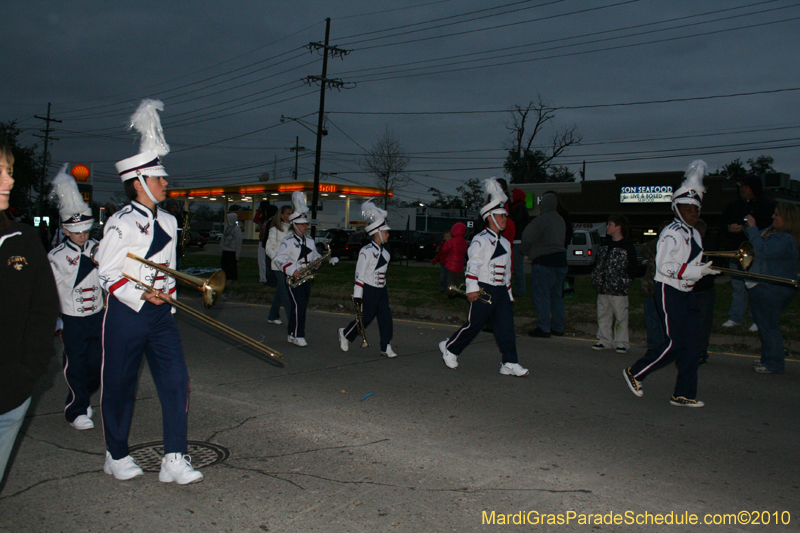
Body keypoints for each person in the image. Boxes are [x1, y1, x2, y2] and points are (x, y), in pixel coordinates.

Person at [94, 99, 203, 484]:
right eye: (159, 178)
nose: (166, 183)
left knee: (176, 381)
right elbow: (106, 273)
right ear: (139, 183)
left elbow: (168, 269)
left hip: (161, 316)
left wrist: (168, 297)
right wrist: (141, 295)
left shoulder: (171, 222)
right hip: (126, 314)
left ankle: (174, 456)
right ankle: (116, 453)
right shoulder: (120, 224)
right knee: (120, 384)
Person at [623, 160, 721, 408]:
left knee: (693, 345)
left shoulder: (695, 233)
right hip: (668, 290)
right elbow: (666, 266)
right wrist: (697, 271)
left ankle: (683, 393)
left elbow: (691, 267)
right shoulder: (671, 233)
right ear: (676, 208)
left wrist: (703, 270)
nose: (693, 213)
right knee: (676, 342)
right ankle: (636, 372)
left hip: (687, 292)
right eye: (688, 209)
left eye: (696, 210)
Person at [0, 145, 59, 486]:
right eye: (2, 172)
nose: (10, 179)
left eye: (10, 170)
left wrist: (30, 371)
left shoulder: (23, 237)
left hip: (12, 389)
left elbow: (43, 309)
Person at [438, 178, 529, 377]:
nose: (505, 219)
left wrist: (509, 293)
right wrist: (471, 287)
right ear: (490, 217)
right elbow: (473, 265)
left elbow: (506, 272)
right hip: (483, 287)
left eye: (505, 216)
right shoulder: (481, 239)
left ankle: (509, 362)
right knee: (475, 324)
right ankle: (451, 348)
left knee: (506, 328)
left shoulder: (505, 243)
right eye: (501, 216)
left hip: (501, 291)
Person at [48, 164, 103, 431]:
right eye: (76, 231)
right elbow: (52, 292)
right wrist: (57, 321)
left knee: (97, 365)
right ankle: (76, 408)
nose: (82, 236)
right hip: (73, 319)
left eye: (85, 231)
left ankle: (83, 395)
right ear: (66, 231)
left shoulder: (98, 249)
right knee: (75, 365)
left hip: (98, 316)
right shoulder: (56, 256)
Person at [745, 202, 799, 374]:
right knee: (765, 324)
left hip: (772, 287)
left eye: (777, 214)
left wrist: (753, 229)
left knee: (768, 326)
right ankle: (768, 358)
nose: (773, 217)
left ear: (788, 218)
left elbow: (761, 251)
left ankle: (773, 363)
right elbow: (755, 241)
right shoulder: (775, 233)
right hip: (769, 285)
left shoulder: (785, 238)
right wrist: (746, 228)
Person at [338, 200, 397, 357]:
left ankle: (386, 345)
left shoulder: (386, 253)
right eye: (386, 232)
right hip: (368, 289)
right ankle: (345, 333)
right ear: (377, 233)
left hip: (381, 290)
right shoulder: (366, 251)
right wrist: (358, 294)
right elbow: (360, 274)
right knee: (365, 318)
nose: (388, 234)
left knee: (386, 318)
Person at [718, 175, 775, 330]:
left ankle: (756, 318)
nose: (743, 189)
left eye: (746, 187)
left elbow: (770, 228)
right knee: (738, 287)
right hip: (738, 252)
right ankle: (735, 317)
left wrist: (748, 228)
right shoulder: (735, 205)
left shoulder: (767, 206)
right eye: (742, 186)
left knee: (757, 287)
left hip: (757, 254)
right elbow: (722, 223)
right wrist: (729, 228)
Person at [274, 191, 323, 347]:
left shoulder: (309, 240)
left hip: (306, 277)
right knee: (299, 306)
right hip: (294, 278)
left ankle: (291, 333)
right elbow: (279, 259)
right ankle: (298, 335)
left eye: (305, 224)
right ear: (294, 225)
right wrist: (292, 270)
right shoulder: (288, 241)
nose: (305, 226)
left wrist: (316, 262)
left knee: (301, 306)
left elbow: (314, 255)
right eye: (301, 224)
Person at [520, 191, 567, 338]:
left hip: (544, 262)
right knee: (557, 296)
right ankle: (558, 327)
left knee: (542, 296)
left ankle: (543, 327)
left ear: (543, 204)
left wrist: (525, 251)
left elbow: (527, 238)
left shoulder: (540, 220)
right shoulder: (560, 220)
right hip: (560, 261)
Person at [590, 215, 637, 354]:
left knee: (620, 315)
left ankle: (621, 342)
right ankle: (604, 340)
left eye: (610, 224)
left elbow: (633, 267)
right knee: (603, 314)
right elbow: (598, 263)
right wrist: (596, 278)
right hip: (603, 287)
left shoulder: (627, 246)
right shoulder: (605, 245)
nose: (607, 227)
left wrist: (625, 282)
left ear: (618, 227)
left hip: (618, 289)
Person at [639, 221, 670, 359]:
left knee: (664, 319)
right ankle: (655, 347)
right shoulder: (656, 244)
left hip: (667, 287)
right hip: (652, 286)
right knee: (653, 318)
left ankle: (664, 346)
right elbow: (644, 251)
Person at [692, 219, 717, 366]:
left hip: (703, 289)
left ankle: (700, 352)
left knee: (702, 324)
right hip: (694, 289)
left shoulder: (707, 245)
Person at [265, 205, 293, 325]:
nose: (289, 215)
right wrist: (277, 259)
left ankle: (273, 315)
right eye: (287, 213)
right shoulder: (275, 230)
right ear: (281, 215)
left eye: (291, 213)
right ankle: (293, 321)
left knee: (281, 291)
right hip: (278, 266)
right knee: (285, 291)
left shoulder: (293, 229)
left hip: (290, 265)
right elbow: (269, 248)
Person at [509, 188, 530, 297]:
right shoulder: (520, 208)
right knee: (517, 266)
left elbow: (514, 221)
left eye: (512, 196)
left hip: (518, 240)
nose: (510, 198)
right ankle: (519, 289)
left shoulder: (520, 208)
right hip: (517, 240)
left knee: (517, 267)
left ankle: (520, 290)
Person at [438, 223, 468, 292]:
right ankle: (459, 290)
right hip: (460, 264)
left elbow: (445, 249)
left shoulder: (452, 241)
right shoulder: (464, 241)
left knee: (450, 279)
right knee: (457, 278)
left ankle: (450, 292)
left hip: (451, 263)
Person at [254, 200, 277, 285]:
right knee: (263, 261)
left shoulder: (271, 221)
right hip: (264, 242)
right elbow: (256, 219)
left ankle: (266, 278)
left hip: (266, 243)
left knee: (265, 262)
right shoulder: (265, 220)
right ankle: (264, 277)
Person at [220, 212, 242, 286]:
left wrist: (237, 254)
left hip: (232, 251)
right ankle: (225, 277)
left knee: (231, 266)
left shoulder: (236, 229)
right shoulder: (227, 228)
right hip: (226, 250)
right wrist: (222, 247)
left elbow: (239, 241)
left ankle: (231, 278)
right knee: (224, 265)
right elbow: (223, 239)